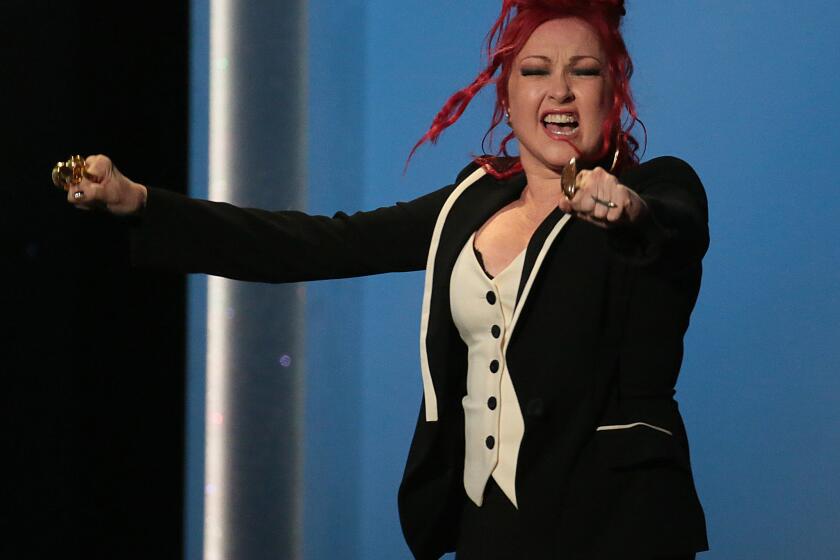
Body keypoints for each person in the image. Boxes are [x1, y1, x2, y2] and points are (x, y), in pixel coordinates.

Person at [64, 0, 709, 557]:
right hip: (493, 528)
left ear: (612, 90)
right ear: (507, 96)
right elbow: (319, 245)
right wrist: (143, 203)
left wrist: (627, 210)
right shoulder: (471, 202)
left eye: (584, 72)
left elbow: (670, 231)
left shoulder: (654, 189)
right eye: (535, 72)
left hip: (615, 528)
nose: (559, 91)